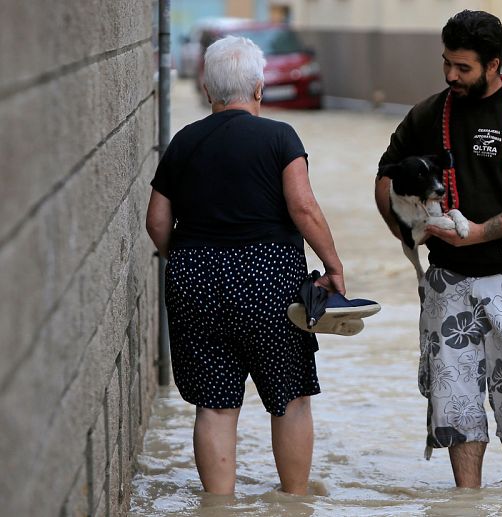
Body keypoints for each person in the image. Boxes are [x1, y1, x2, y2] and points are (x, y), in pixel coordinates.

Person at [375, 10, 502, 488]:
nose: (450, 76)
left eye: (462, 68)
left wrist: (479, 232)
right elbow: (385, 175)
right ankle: (466, 501)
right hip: (447, 280)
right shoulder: (425, 114)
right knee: (454, 401)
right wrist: (408, 228)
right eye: (446, 63)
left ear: (493, 64)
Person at [146, 35, 345, 496]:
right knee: (290, 399)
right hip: (270, 279)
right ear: (259, 88)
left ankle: (219, 505)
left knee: (214, 406)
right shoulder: (280, 137)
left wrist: (185, 258)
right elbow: (304, 208)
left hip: (194, 277)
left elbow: (157, 221)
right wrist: (332, 266)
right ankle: (294, 501)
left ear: (207, 88)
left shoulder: (183, 142)